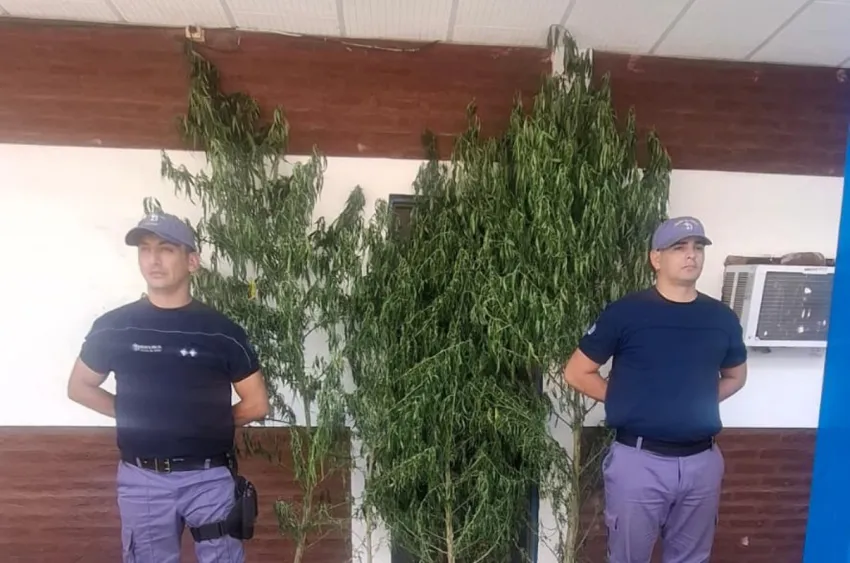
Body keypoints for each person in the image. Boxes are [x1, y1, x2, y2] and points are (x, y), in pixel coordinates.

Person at [67, 212, 270, 563]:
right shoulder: (115, 327)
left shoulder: (222, 332)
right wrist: (138, 416)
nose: (153, 259)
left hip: (209, 479)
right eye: (145, 249)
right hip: (142, 479)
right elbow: (80, 387)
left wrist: (202, 425)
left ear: (192, 261)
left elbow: (256, 404)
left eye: (166, 249)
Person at [563, 216, 748, 563]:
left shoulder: (721, 318)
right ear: (656, 258)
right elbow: (576, 372)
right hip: (639, 461)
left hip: (702, 463)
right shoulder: (626, 313)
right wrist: (631, 401)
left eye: (698, 247)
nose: (691, 254)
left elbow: (736, 376)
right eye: (679, 247)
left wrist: (694, 403)